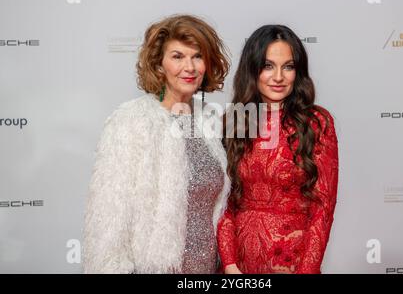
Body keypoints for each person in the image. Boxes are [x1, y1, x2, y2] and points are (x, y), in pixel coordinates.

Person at [83, 14, 231, 273]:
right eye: (177, 57)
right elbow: (108, 218)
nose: (190, 67)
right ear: (159, 64)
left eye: (197, 56)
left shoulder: (209, 119)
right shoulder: (131, 121)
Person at [218, 25, 339, 274]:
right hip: (239, 266)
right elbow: (224, 203)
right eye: (268, 65)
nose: (278, 77)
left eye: (288, 66)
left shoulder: (316, 123)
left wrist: (306, 271)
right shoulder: (235, 120)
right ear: (253, 70)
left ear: (298, 71)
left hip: (292, 264)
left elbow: (323, 208)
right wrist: (230, 265)